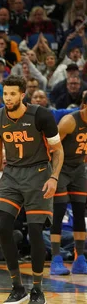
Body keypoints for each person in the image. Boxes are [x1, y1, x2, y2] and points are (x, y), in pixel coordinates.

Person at [0, 75, 63, 304]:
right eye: (5, 94)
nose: (8, 98)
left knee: (35, 230)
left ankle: (38, 290)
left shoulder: (41, 115)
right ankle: (17, 287)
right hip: (11, 175)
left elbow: (58, 151)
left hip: (39, 173)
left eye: (12, 94)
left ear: (22, 95)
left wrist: (53, 178)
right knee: (4, 225)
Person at [49, 92, 87, 275]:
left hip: (79, 168)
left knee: (80, 212)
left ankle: (80, 258)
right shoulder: (69, 121)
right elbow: (52, 146)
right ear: (84, 106)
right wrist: (51, 174)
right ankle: (56, 258)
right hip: (61, 167)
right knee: (60, 210)